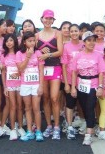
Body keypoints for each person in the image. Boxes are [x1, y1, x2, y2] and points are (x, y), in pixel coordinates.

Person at [71, 31, 105, 145]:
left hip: (93, 84)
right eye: (89, 40)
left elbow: (101, 73)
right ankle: (90, 125)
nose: (92, 42)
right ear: (84, 42)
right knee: (84, 108)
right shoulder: (78, 55)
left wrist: (100, 87)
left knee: (90, 108)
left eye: (93, 40)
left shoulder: (98, 55)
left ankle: (88, 134)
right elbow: (74, 72)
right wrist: (73, 87)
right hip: (81, 85)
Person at [36, 9, 63, 140]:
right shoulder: (37, 35)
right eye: (46, 18)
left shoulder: (58, 33)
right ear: (42, 19)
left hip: (55, 67)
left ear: (53, 20)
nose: (48, 21)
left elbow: (60, 51)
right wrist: (40, 49)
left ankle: (57, 126)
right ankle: (48, 125)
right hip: (42, 69)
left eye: (50, 19)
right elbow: (34, 49)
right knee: (45, 98)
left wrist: (48, 54)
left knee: (54, 98)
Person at [16, 31, 44, 142]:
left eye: (34, 40)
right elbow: (20, 69)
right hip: (25, 84)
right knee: (27, 108)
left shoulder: (38, 53)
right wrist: (27, 57)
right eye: (29, 41)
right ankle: (29, 131)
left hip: (36, 84)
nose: (32, 43)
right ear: (24, 42)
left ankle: (38, 131)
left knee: (36, 108)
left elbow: (41, 70)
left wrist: (41, 86)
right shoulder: (19, 54)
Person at [60, 24, 83, 140]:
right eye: (72, 31)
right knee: (69, 104)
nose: (74, 33)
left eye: (76, 31)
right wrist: (66, 84)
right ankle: (69, 126)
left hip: (83, 80)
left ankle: (82, 124)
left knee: (80, 103)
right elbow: (63, 66)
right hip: (68, 79)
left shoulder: (84, 44)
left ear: (79, 32)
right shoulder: (66, 46)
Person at [1, 34, 25, 140]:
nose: (9, 43)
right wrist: (5, 87)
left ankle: (20, 127)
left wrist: (19, 73)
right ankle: (12, 129)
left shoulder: (19, 54)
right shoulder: (3, 55)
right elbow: (3, 72)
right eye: (7, 41)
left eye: (11, 40)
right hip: (9, 85)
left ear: (15, 41)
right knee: (12, 106)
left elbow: (24, 68)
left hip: (20, 83)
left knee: (20, 106)